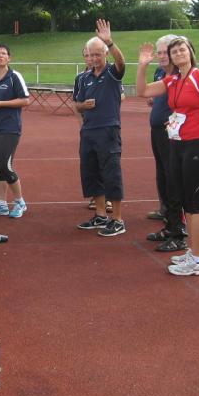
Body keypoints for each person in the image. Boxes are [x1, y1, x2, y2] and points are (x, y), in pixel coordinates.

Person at [137, 36, 199, 274]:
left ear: (190, 52)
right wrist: (142, 66)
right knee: (185, 202)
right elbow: (143, 91)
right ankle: (194, 252)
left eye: (182, 50)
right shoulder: (173, 80)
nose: (178, 54)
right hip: (177, 144)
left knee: (195, 204)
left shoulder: (198, 77)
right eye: (174, 52)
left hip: (197, 145)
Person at [75, 19, 127, 237]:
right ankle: (100, 214)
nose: (93, 58)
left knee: (111, 172)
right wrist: (83, 106)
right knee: (91, 172)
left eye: (97, 54)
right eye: (90, 55)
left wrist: (110, 42)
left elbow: (121, 62)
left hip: (108, 130)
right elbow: (77, 104)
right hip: (88, 131)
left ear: (105, 54)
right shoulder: (83, 78)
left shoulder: (112, 73)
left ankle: (118, 219)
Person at [144, 35, 189, 252]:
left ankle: (178, 230)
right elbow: (149, 92)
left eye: (165, 52)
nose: (162, 56)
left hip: (172, 134)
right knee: (163, 176)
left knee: (173, 180)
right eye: (160, 52)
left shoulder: (181, 76)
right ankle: (169, 221)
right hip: (157, 132)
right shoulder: (161, 73)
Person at [0, 43, 30, 218]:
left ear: (9, 58)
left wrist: (1, 104)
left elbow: (25, 100)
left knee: (5, 165)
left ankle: (20, 202)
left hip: (10, 127)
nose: (0, 56)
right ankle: (1, 204)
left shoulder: (14, 77)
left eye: (3, 53)